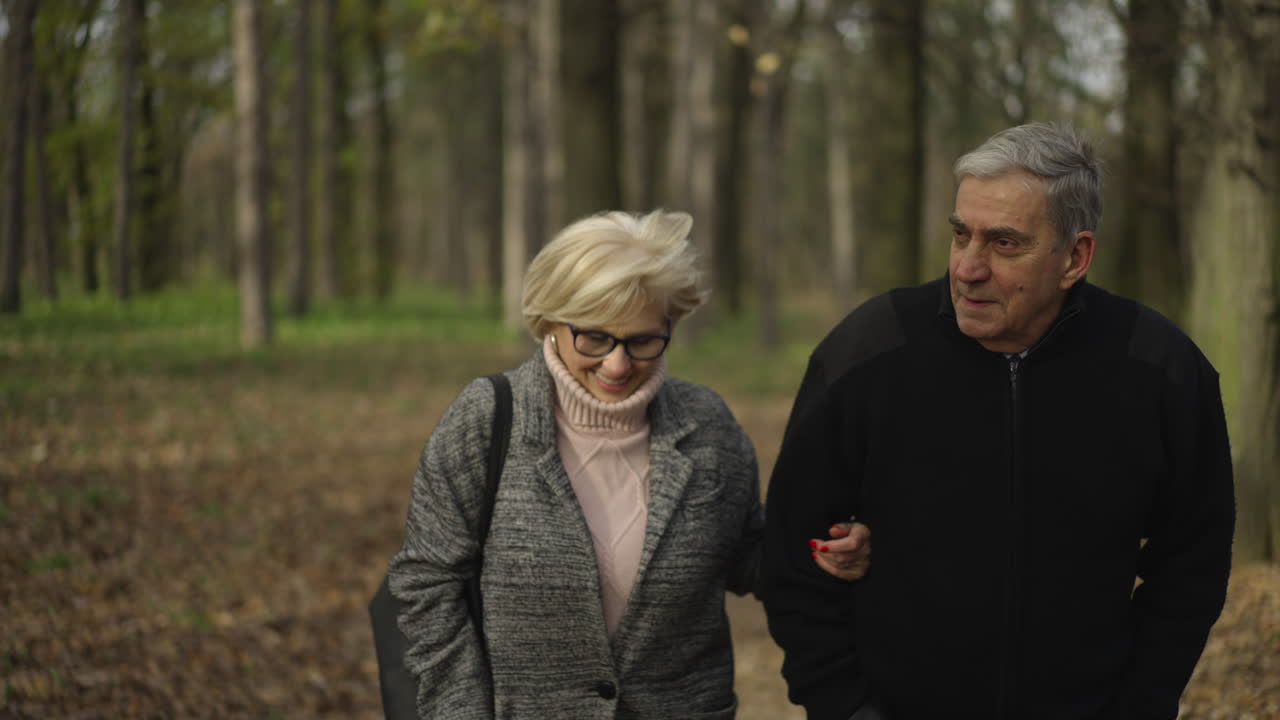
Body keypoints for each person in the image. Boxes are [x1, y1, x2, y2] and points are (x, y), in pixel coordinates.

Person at [761, 123, 1235, 720]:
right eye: (961, 235)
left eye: (1005, 244)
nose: (968, 268)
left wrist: (1140, 702)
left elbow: (1193, 560)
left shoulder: (1160, 367)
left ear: (1076, 257)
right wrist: (844, 706)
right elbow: (791, 551)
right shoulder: (869, 350)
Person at [388, 209, 871, 718]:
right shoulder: (485, 421)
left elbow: (749, 553)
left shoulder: (709, 428)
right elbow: (426, 583)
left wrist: (831, 550)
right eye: (594, 338)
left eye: (642, 340)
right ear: (550, 320)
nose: (618, 365)